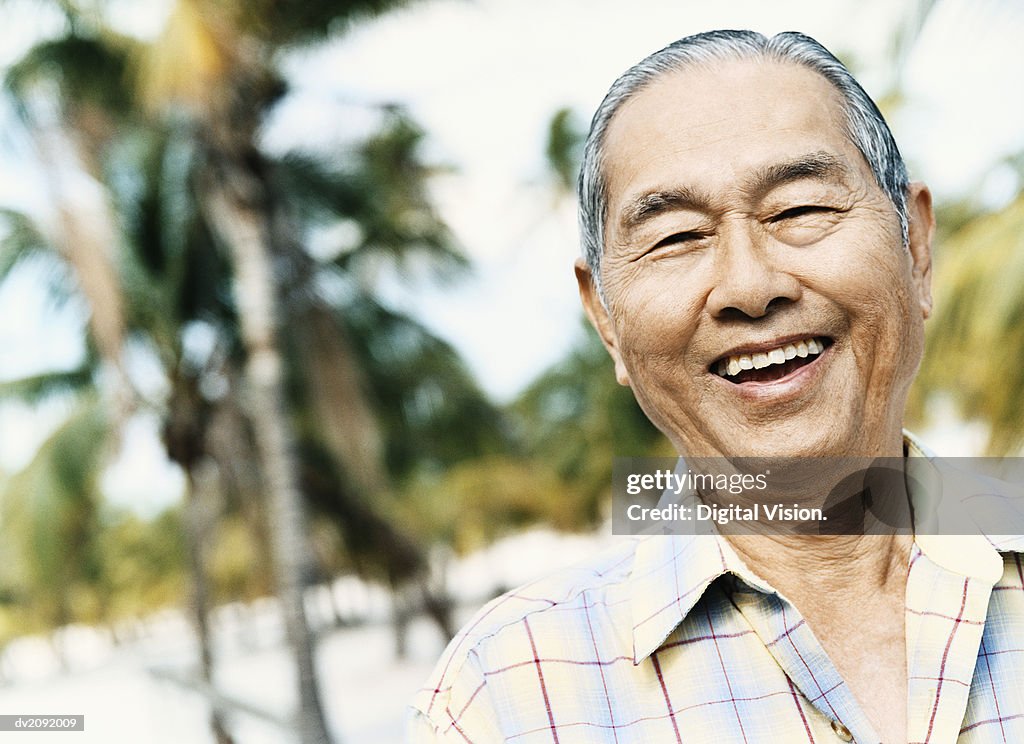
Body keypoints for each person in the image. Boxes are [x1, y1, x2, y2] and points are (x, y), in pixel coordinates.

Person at [408, 30, 1024, 743]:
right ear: (605, 317)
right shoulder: (508, 696)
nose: (750, 285)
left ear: (916, 248)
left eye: (799, 209)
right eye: (676, 237)